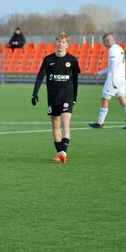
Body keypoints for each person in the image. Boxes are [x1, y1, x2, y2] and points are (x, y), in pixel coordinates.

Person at [32, 32, 81, 163]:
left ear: (67, 45)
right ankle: (59, 153)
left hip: (67, 97)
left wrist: (74, 97)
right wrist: (34, 93)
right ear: (55, 43)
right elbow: (40, 77)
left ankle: (63, 152)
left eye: (63, 42)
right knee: (55, 124)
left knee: (65, 123)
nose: (61, 44)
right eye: (59, 41)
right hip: (53, 97)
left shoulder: (72, 60)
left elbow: (75, 81)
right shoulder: (48, 60)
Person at [89, 34, 126, 129]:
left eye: (104, 43)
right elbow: (112, 66)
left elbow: (113, 67)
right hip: (122, 79)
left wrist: (113, 81)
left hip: (113, 79)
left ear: (108, 41)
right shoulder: (120, 48)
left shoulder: (112, 50)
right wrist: (100, 73)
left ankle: (100, 123)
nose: (104, 45)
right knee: (122, 99)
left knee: (105, 99)